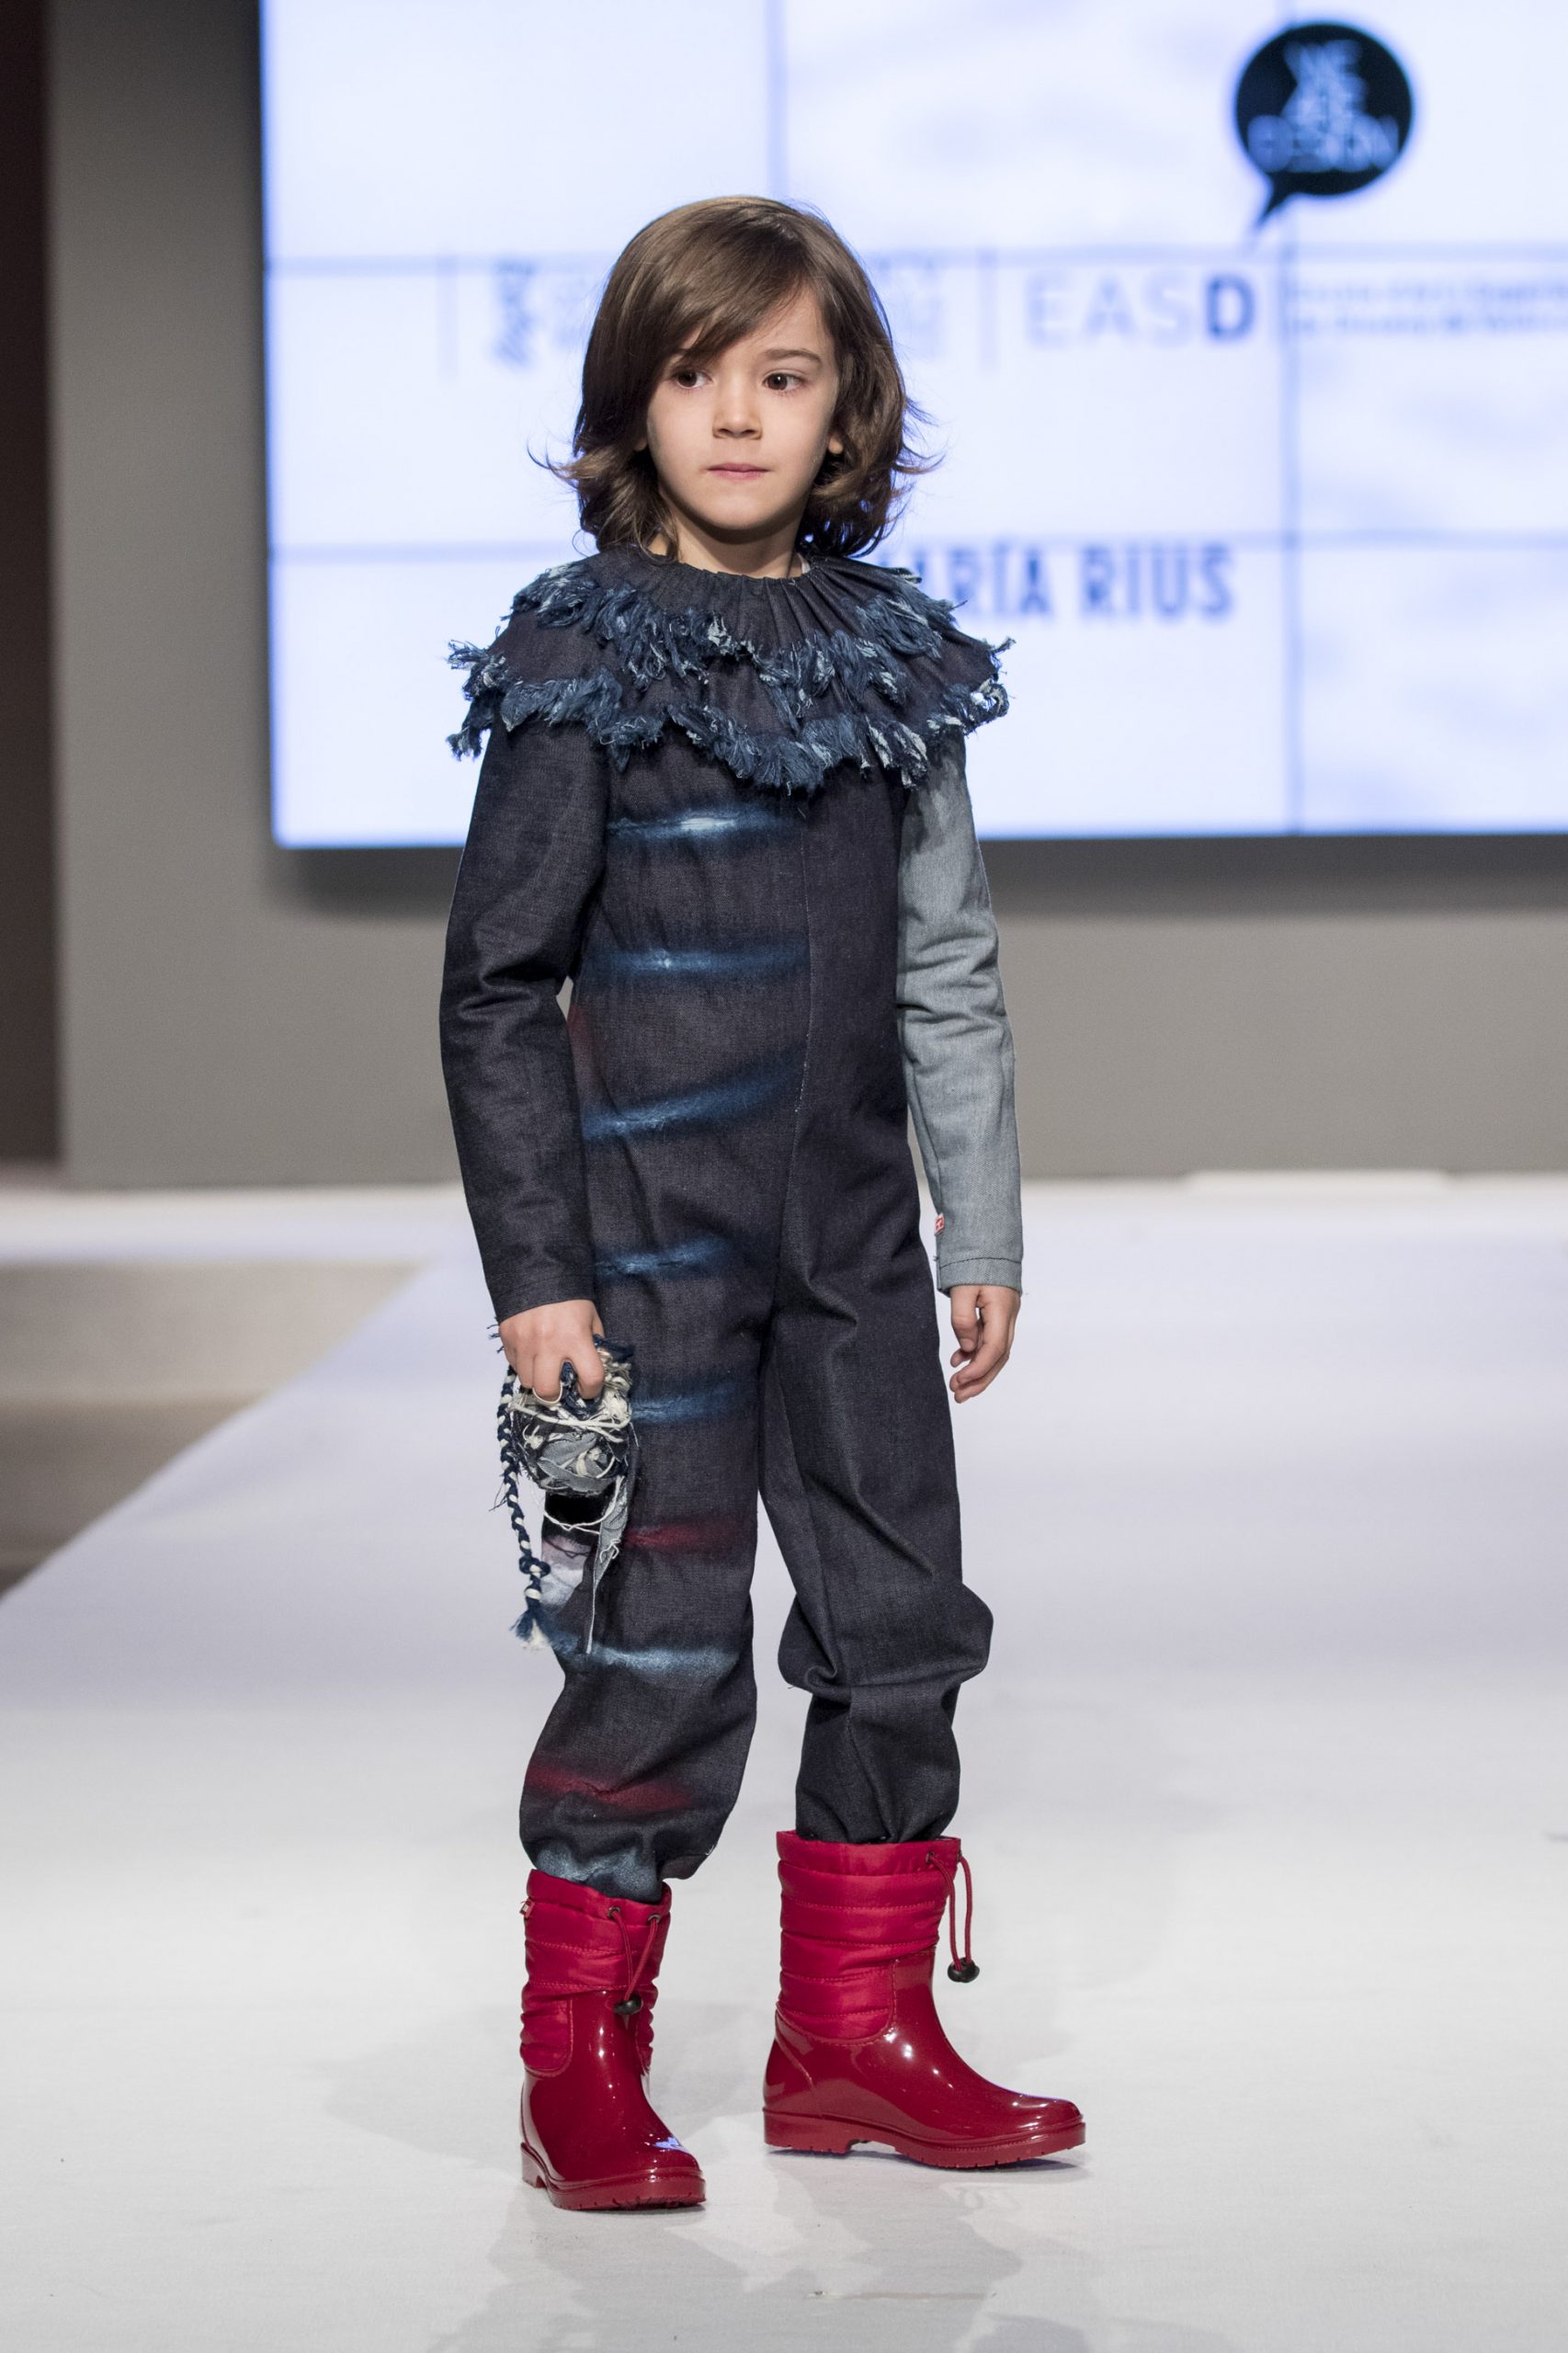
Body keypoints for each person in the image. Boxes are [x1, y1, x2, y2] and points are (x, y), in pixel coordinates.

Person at [440, 195, 1085, 2211]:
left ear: (844, 408)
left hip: (855, 1248)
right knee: (659, 1643)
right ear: (634, 399)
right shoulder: (580, 653)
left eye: (782, 376)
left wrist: (978, 1221)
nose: (737, 414)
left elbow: (945, 956)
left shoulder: (893, 664)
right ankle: (580, 2068)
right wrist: (538, 1277)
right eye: (696, 372)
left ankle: (854, 2041)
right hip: (644, 1249)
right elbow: (497, 983)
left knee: (902, 1620)